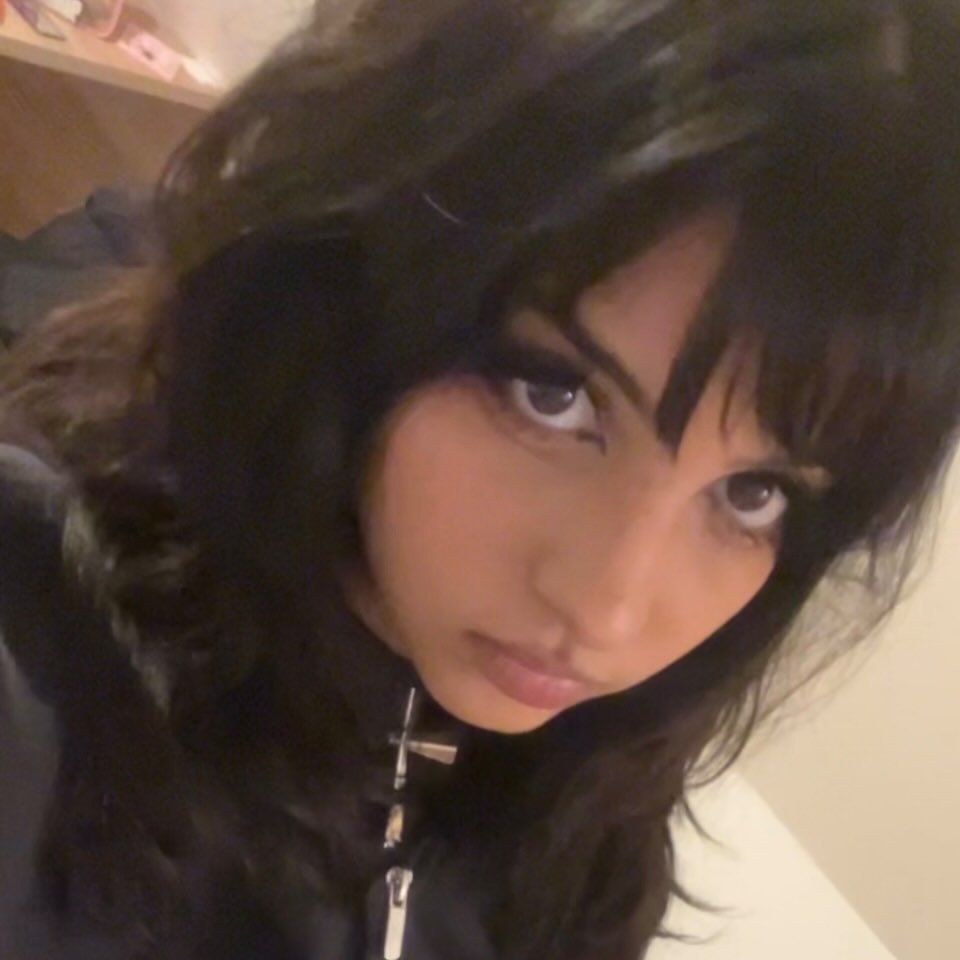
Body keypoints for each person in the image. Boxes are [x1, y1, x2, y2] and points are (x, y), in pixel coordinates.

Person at [1, 1, 959, 958]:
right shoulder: (48, 646)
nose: (607, 610)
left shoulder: (587, 794)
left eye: (752, 493)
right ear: (362, 280)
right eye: (553, 396)